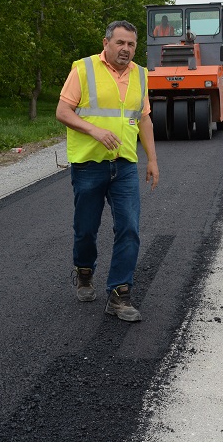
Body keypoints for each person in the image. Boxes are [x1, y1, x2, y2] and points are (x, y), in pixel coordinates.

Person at [56, 20, 160, 321]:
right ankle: (85, 271)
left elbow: (144, 119)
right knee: (86, 229)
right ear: (106, 43)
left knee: (129, 227)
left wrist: (151, 160)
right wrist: (94, 131)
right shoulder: (84, 70)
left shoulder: (140, 74)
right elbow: (62, 111)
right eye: (120, 43)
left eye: (131, 44)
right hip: (89, 164)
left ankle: (119, 293)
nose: (125, 49)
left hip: (125, 163)